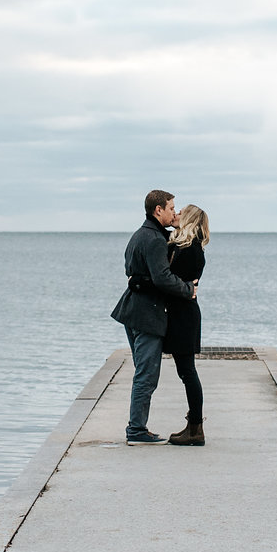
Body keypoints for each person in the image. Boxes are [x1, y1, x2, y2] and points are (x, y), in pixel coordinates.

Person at [108, 189, 194, 444]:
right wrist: (188, 289)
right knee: (146, 375)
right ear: (158, 210)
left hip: (132, 310)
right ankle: (136, 430)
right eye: (171, 208)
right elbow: (163, 278)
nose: (174, 212)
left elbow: (130, 269)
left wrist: (142, 281)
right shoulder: (155, 239)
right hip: (147, 314)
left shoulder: (139, 235)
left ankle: (137, 428)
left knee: (142, 373)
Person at [162, 205, 209, 446]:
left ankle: (196, 428)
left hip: (184, 316)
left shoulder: (189, 249)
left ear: (189, 218)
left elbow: (170, 279)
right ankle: (194, 427)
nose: (176, 215)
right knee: (185, 371)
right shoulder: (185, 245)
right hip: (182, 313)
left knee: (187, 371)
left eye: (179, 212)